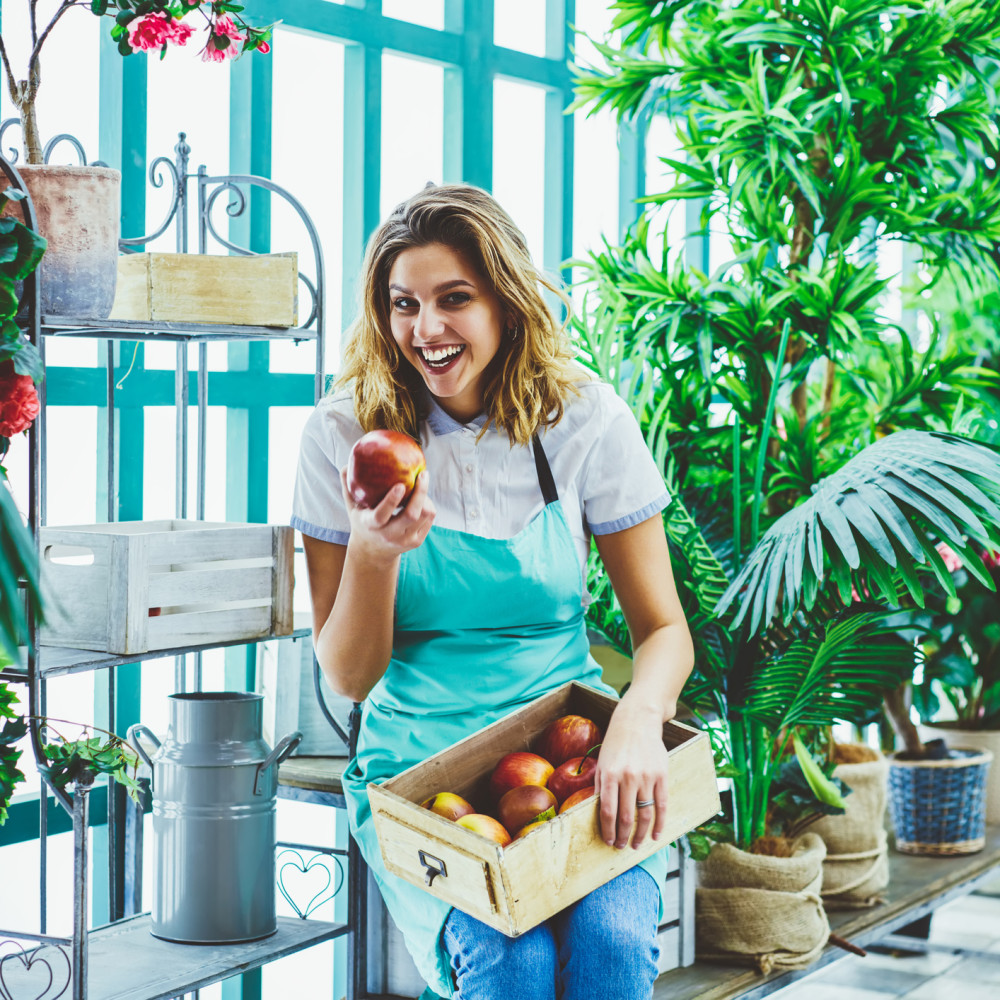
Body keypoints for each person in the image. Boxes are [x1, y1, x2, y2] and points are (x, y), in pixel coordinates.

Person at [291, 183, 694, 1000]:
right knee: (512, 965)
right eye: (404, 304)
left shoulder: (584, 421)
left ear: (507, 303)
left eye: (454, 299)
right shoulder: (343, 434)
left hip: (571, 760)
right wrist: (372, 553)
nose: (425, 330)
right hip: (420, 775)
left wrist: (637, 725)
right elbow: (348, 678)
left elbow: (663, 630)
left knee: (613, 949)